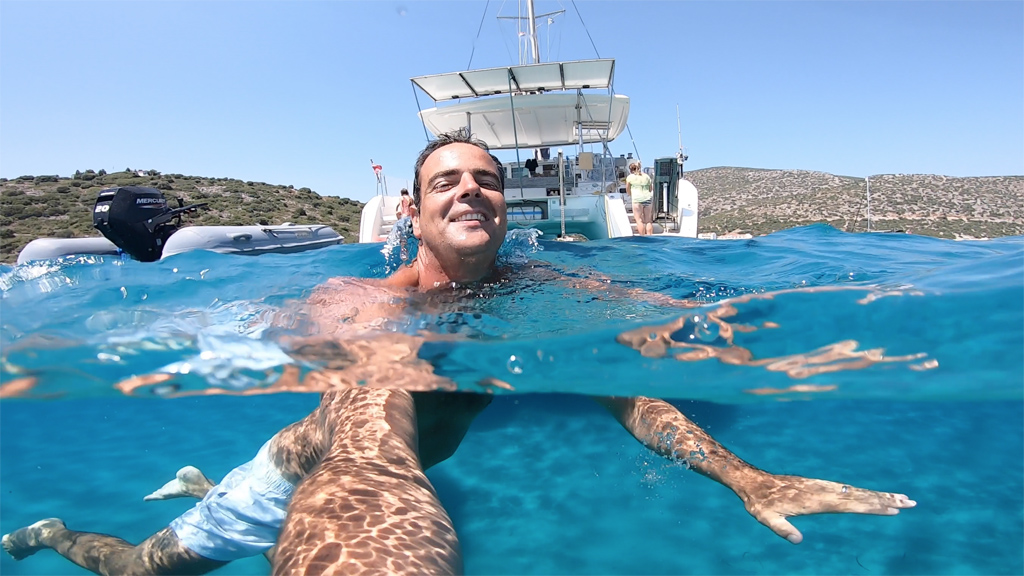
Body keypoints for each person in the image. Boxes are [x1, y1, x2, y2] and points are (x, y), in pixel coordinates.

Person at [2, 131, 916, 576]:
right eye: (448, 180)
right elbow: (367, 436)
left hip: (368, 476)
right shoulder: (362, 301)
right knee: (137, 570)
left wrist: (744, 476)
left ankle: (200, 480)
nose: (471, 191)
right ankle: (55, 536)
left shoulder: (543, 298)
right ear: (414, 210)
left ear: (506, 207)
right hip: (308, 481)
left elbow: (628, 391)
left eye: (487, 179)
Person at [626, 161, 654, 236]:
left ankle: (642, 237)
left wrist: (631, 195)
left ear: (631, 170)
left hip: (637, 200)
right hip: (648, 198)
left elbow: (628, 190)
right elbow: (650, 189)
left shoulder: (630, 177)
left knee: (639, 220)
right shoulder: (646, 176)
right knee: (648, 221)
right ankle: (650, 237)